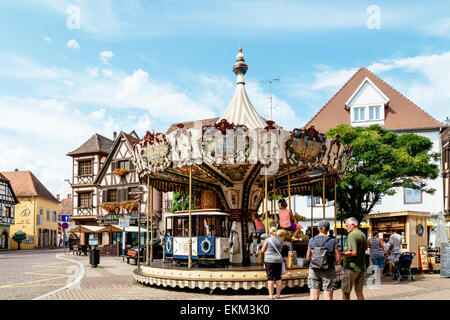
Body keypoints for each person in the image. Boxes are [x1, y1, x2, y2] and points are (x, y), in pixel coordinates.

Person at [307, 220, 341, 300]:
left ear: (318, 229)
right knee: (328, 296)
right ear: (328, 230)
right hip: (328, 269)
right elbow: (338, 258)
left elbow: (308, 257)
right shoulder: (332, 241)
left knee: (314, 297)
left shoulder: (312, 240)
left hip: (314, 269)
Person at [341, 217, 367, 300]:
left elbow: (353, 252)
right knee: (359, 292)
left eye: (347, 225)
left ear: (352, 225)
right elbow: (365, 248)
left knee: (346, 293)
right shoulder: (362, 234)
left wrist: (341, 253)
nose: (345, 227)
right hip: (361, 267)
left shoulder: (352, 234)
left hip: (351, 267)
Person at [260, 226, 285, 299]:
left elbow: (263, 250)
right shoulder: (280, 240)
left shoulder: (267, 240)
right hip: (278, 260)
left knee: (270, 278)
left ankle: (271, 295)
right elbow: (280, 250)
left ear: (270, 232)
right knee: (278, 278)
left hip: (269, 260)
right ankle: (278, 295)